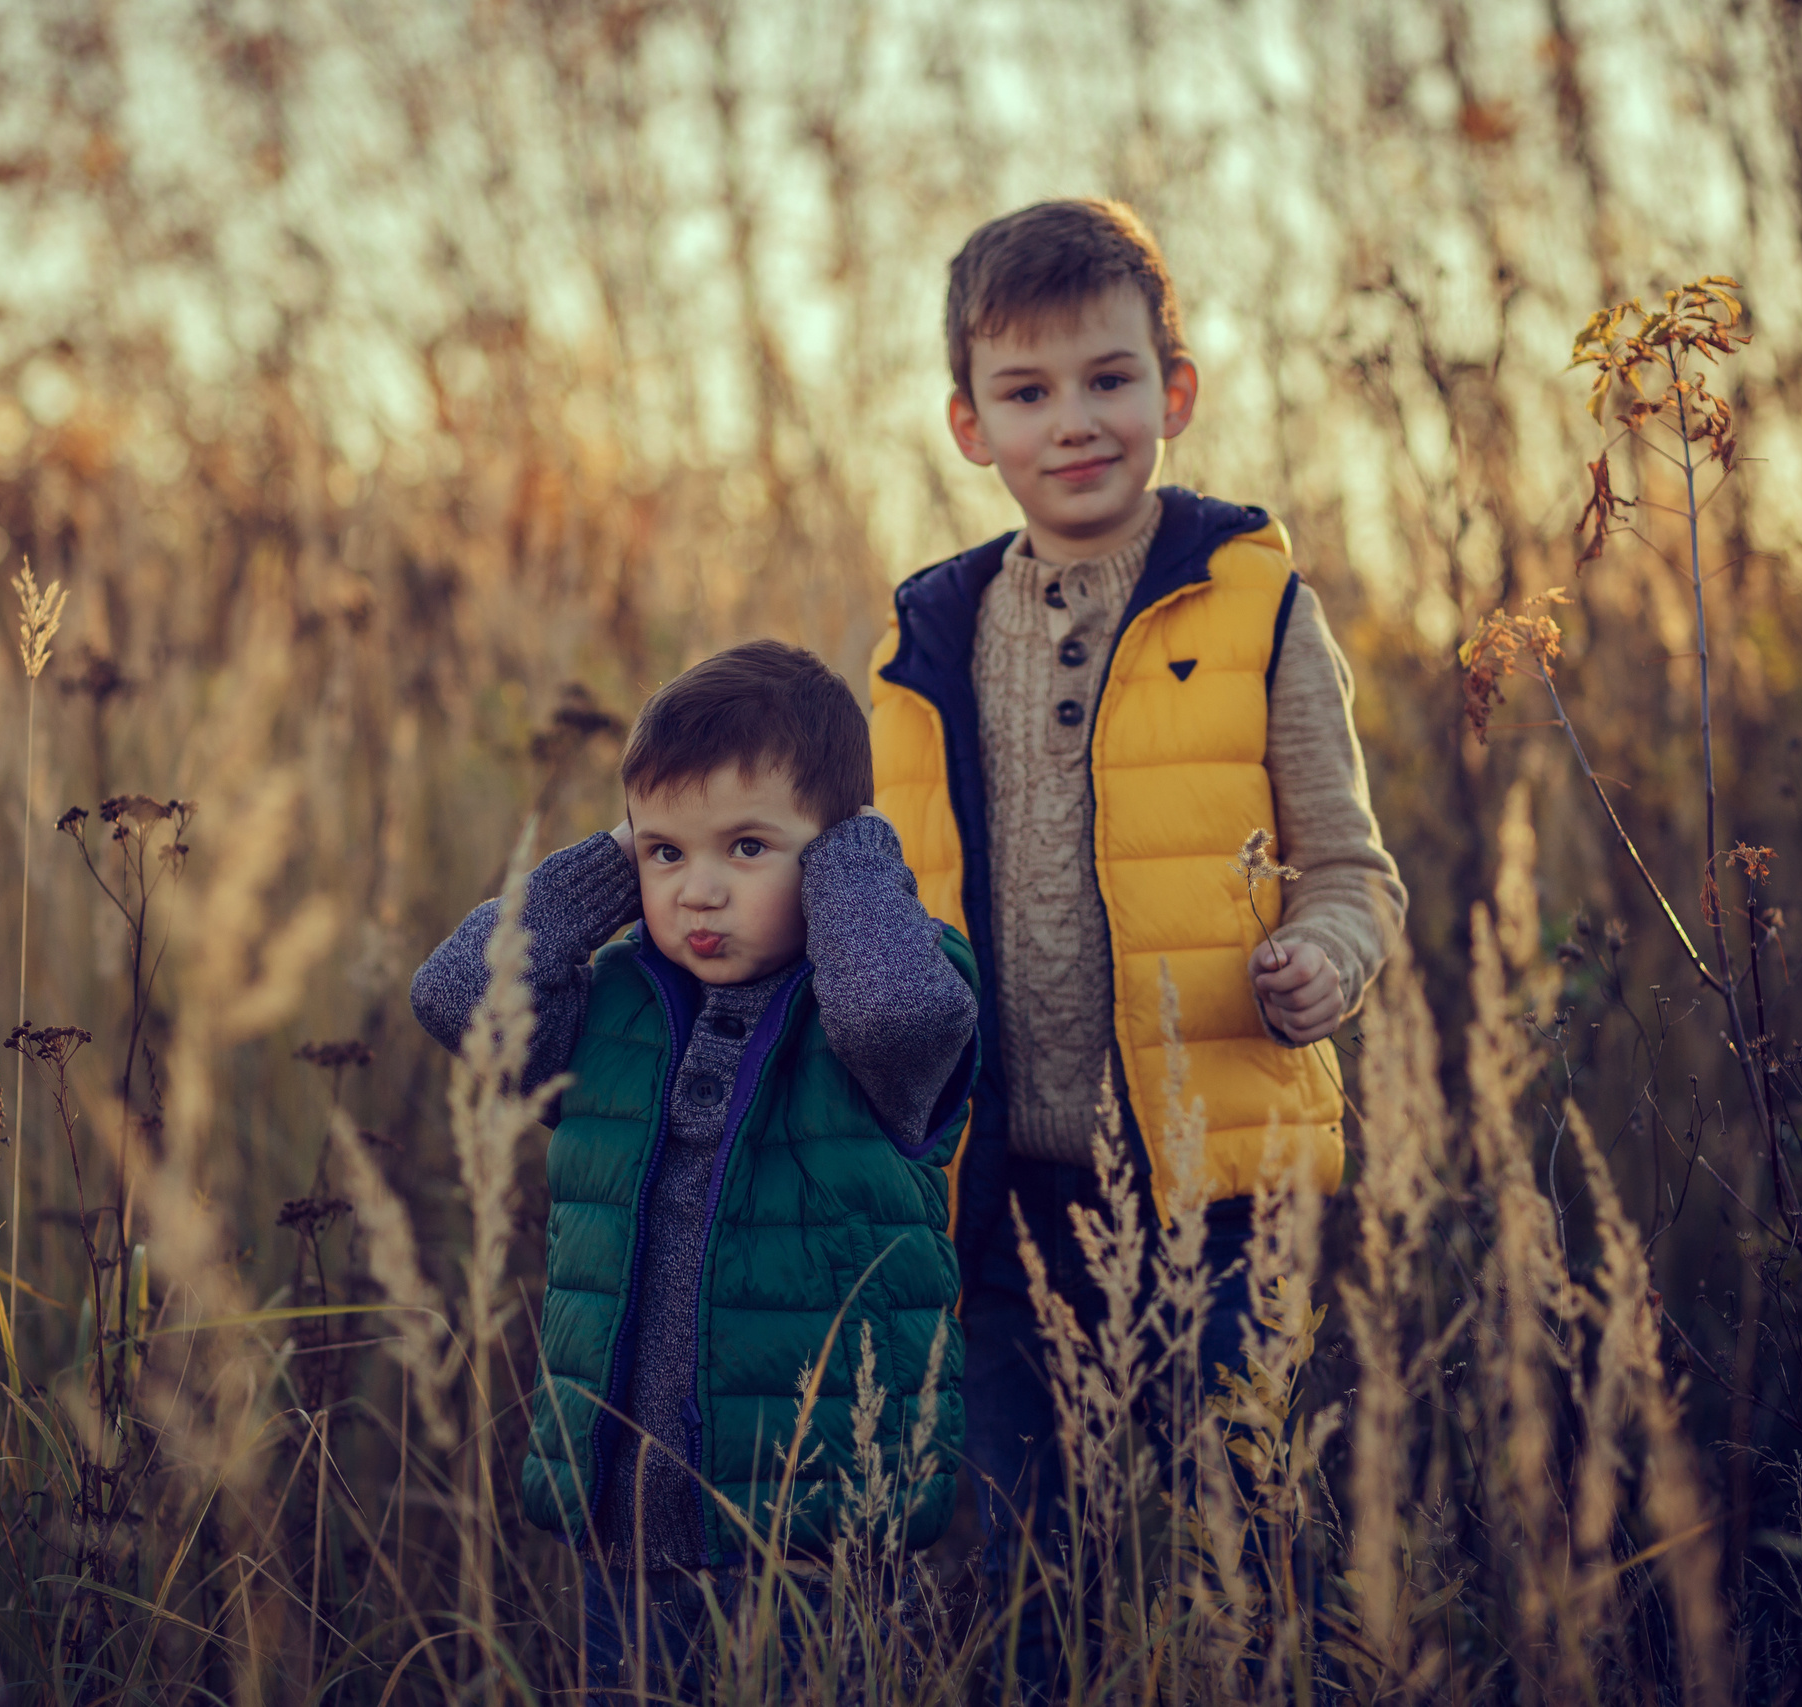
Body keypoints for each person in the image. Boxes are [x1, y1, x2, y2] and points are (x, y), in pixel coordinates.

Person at [866, 198, 1406, 1697]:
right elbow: (895, 914)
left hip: (1220, 1194)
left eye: (1108, 380)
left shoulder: (1257, 609)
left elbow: (1353, 868)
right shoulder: (929, 639)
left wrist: (1323, 954)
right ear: (971, 426)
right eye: (1028, 394)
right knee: (1015, 1571)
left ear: (1175, 390)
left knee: (1248, 1555)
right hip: (998, 1201)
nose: (1074, 422)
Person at [409, 639, 980, 1699]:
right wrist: (607, 869)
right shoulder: (614, 1001)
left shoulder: (881, 1006)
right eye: (666, 855)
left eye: (748, 848)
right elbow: (454, 996)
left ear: (836, 853)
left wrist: (854, 856)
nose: (699, 892)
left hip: (819, 1529)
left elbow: (896, 1010)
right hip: (627, 1516)